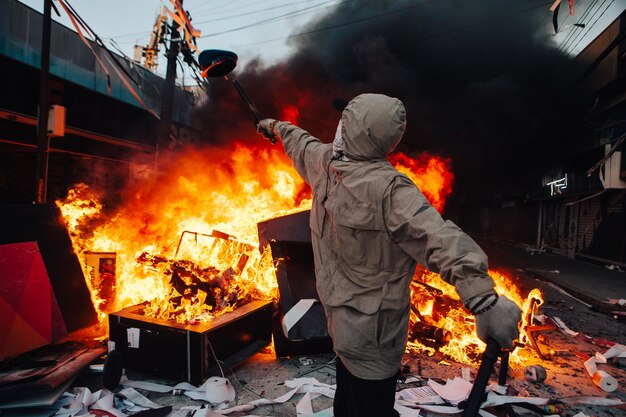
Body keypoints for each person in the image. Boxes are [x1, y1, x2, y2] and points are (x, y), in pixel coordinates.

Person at [257, 93, 521, 417]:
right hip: (342, 331)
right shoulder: (326, 163)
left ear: (358, 133)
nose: (338, 128)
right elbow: (301, 142)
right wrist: (276, 127)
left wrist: (483, 299)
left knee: (370, 410)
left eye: (346, 122)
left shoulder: (391, 191)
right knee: (346, 408)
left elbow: (440, 238)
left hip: (373, 345)